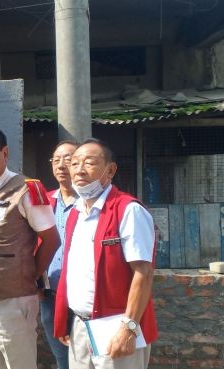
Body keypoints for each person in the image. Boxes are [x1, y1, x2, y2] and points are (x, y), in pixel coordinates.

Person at [54, 138, 157, 369]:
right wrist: (65, 320)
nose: (80, 169)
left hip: (116, 325)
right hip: (80, 325)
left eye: (90, 163)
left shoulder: (128, 210)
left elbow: (143, 272)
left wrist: (128, 328)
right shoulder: (76, 214)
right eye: (75, 163)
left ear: (110, 170)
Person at [0, 127, 60, 369]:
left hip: (13, 301)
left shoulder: (26, 189)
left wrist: (33, 274)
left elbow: (51, 240)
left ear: (4, 153)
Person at [40, 140, 78, 369]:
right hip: (51, 293)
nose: (61, 164)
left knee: (85, 356)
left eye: (69, 158)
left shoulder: (90, 203)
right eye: (57, 159)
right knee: (62, 357)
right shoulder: (44, 200)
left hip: (81, 295)